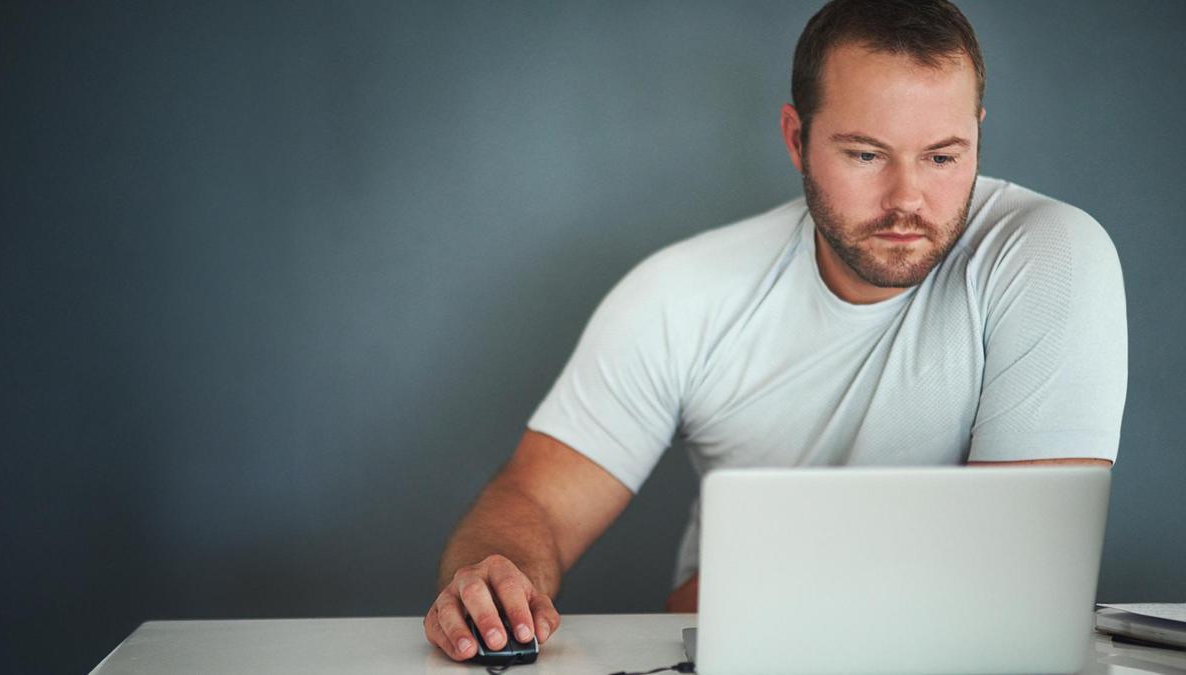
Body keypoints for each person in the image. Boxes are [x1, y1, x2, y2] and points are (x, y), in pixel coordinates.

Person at [423, 0, 1127, 661]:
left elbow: (1012, 578)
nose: (908, 199)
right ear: (797, 138)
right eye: (865, 154)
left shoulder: (1049, 256)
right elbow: (535, 499)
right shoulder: (681, 294)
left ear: (977, 134)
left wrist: (751, 582)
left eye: (943, 157)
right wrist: (494, 576)